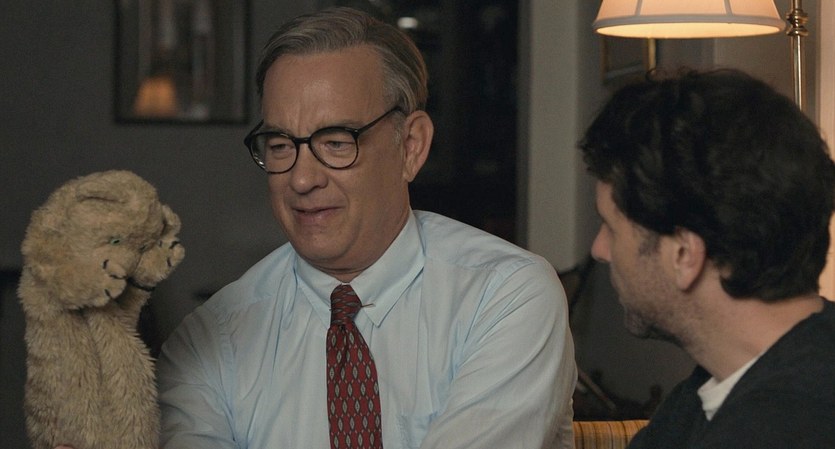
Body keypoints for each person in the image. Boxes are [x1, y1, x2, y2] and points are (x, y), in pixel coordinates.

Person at [156, 7, 576, 449]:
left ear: (411, 147)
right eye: (280, 145)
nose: (302, 179)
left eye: (336, 142)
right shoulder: (210, 339)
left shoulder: (504, 295)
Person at [580, 69, 835, 448]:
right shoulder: (717, 385)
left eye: (611, 228)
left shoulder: (782, 428)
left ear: (684, 254)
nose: (599, 250)